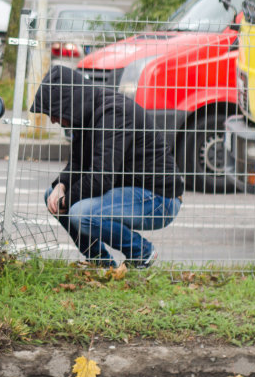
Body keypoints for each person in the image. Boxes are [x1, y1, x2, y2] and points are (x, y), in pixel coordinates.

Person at [29, 66, 184, 268]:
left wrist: (67, 199)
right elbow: (78, 163)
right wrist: (61, 186)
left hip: (159, 198)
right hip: (131, 192)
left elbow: (101, 177)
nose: (54, 120)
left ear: (68, 102)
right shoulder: (86, 114)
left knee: (81, 214)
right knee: (52, 195)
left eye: (55, 112)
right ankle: (101, 264)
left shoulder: (114, 114)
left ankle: (142, 253)